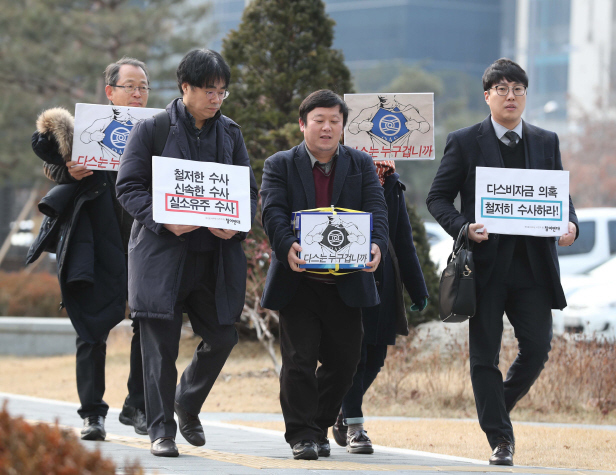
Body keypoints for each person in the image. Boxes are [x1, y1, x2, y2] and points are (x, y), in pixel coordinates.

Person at [426, 58, 579, 466]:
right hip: (486, 269)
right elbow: (437, 198)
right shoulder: (464, 140)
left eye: (518, 90)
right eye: (502, 89)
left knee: (538, 348)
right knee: (484, 356)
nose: (511, 97)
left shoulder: (546, 140)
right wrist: (464, 227)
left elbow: (559, 197)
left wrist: (571, 226)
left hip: (533, 268)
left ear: (526, 96)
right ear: (487, 95)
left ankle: (493, 409)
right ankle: (500, 439)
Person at [115, 49, 257, 458]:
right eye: (209, 90)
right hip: (162, 256)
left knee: (223, 335)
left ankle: (187, 401)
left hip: (212, 258)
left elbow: (246, 192)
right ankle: (161, 431)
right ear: (185, 88)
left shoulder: (230, 133)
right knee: (160, 347)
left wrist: (236, 223)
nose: (216, 99)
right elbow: (129, 187)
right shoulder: (153, 129)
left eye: (222, 92)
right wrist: (163, 220)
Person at [260, 89, 388, 460]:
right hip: (299, 281)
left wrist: (377, 243)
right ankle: (301, 434)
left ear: (344, 126)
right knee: (299, 361)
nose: (327, 127)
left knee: (345, 363)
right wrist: (286, 246)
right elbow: (273, 212)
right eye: (319, 120)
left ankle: (318, 425)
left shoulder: (361, 164)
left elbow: (375, 209)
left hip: (346, 282)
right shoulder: (280, 164)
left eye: (335, 120)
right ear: (303, 124)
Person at [29, 57, 152, 440]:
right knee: (90, 327)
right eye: (129, 85)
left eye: (143, 86)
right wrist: (69, 163)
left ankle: (138, 406)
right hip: (94, 243)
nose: (137, 92)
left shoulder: (157, 130)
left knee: (149, 321)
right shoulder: (87, 130)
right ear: (110, 91)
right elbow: (43, 145)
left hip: (144, 241)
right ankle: (92, 414)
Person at [331, 160, 429, 454]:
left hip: (384, 278)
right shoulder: (340, 171)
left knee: (375, 357)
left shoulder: (393, 184)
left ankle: (339, 411)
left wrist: (417, 287)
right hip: (345, 275)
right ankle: (355, 427)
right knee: (354, 355)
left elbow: (402, 240)